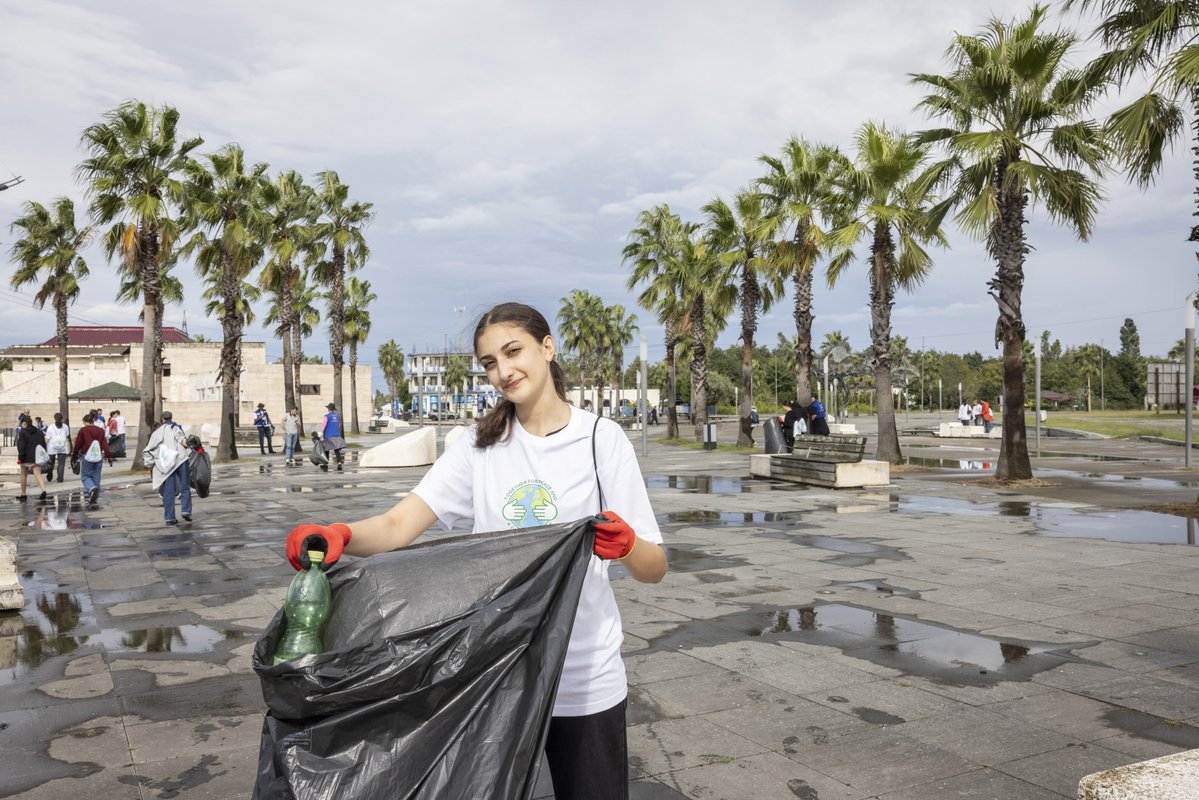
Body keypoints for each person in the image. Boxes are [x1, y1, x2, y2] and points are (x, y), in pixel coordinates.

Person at [285, 303, 667, 800]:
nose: (503, 371)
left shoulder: (601, 440)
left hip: (584, 678)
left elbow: (654, 568)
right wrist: (338, 534)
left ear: (547, 348)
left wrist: (628, 545)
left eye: (513, 352)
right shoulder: (477, 446)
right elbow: (400, 524)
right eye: (489, 362)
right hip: (495, 677)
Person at [143, 411, 192, 525]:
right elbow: (183, 442)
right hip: (181, 459)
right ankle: (186, 510)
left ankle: (169, 517)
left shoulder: (158, 432)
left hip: (167, 464)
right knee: (185, 486)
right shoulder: (176, 428)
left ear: (162, 419)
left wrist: (150, 464)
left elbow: (148, 449)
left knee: (168, 491)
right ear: (171, 417)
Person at [71, 412, 112, 504]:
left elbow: (78, 443)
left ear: (85, 421)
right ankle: (93, 497)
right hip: (98, 456)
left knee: (85, 477)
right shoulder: (100, 430)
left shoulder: (83, 430)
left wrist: (74, 453)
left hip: (87, 456)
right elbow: (104, 443)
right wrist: (108, 456)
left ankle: (92, 489)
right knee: (96, 477)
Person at [15, 416, 49, 502]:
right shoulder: (39, 432)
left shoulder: (23, 432)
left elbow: (21, 446)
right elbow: (43, 445)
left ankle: (23, 494)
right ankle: (43, 490)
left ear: (24, 423)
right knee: (38, 474)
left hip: (25, 457)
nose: (21, 425)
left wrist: (20, 457)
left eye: (22, 424)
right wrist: (43, 454)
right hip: (36, 457)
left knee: (23, 475)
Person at [45, 412, 72, 483]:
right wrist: (71, 446)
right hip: (62, 448)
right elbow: (67, 436)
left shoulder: (50, 427)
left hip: (52, 448)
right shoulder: (65, 426)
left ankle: (49, 475)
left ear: (54, 418)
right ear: (62, 419)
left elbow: (47, 438)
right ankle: (60, 478)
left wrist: (44, 447)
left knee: (51, 463)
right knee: (61, 464)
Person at [319, 402, 346, 471]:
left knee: (326, 450)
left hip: (328, 436)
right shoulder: (337, 416)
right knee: (337, 450)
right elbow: (338, 425)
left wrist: (320, 433)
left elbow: (323, 426)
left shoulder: (327, 416)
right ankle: (339, 463)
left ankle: (325, 464)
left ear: (328, 409)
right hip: (336, 435)